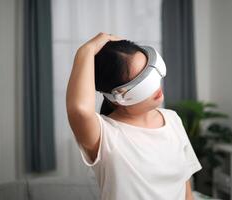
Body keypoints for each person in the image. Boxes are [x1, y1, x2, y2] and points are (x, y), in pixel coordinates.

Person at [66, 33, 202, 200]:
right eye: (141, 82)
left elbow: (185, 185)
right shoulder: (104, 135)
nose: (155, 86)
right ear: (118, 97)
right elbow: (79, 110)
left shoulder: (173, 119)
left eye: (149, 70)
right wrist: (86, 50)